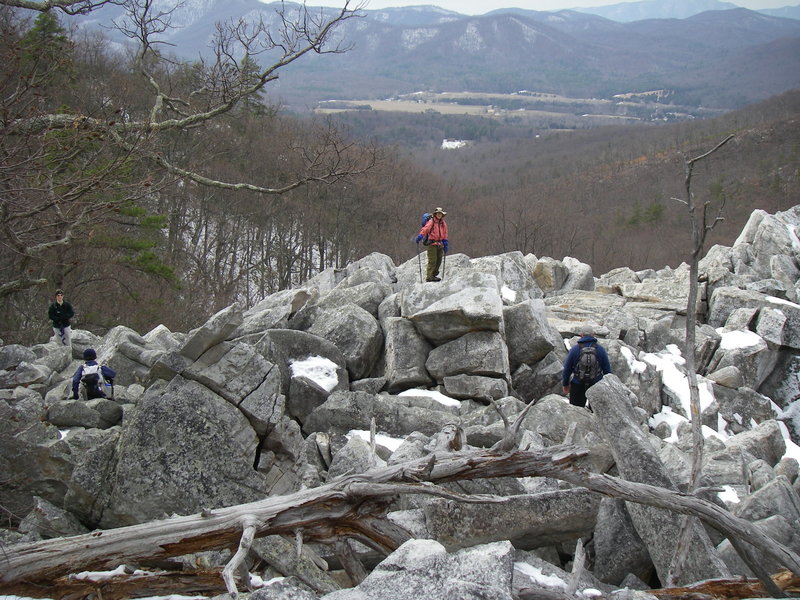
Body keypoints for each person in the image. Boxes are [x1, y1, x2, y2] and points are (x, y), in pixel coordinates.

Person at [561, 332, 612, 409]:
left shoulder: (574, 349)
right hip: (596, 385)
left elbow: (567, 369)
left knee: (576, 411)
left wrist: (565, 384)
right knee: (596, 411)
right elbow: (607, 370)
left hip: (577, 384)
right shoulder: (600, 349)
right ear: (593, 335)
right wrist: (609, 386)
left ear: (581, 335)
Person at [416, 207, 449, 282]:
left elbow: (445, 233)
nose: (439, 215)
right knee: (432, 260)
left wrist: (445, 243)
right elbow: (426, 229)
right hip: (432, 244)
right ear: (435, 214)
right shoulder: (432, 221)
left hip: (440, 244)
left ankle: (434, 275)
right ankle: (429, 277)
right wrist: (420, 236)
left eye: (440, 214)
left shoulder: (443, 223)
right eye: (438, 213)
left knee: (439, 260)